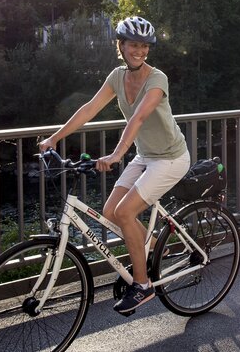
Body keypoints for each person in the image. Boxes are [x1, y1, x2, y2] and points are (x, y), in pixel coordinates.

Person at [39, 16, 190, 315]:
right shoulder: (117, 77)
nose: (140, 51)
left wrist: (116, 154)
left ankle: (143, 285)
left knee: (124, 211)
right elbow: (89, 108)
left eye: (145, 46)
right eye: (134, 45)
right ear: (120, 45)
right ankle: (155, 246)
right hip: (146, 155)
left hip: (171, 158)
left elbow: (139, 118)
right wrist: (54, 138)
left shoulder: (157, 78)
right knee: (110, 212)